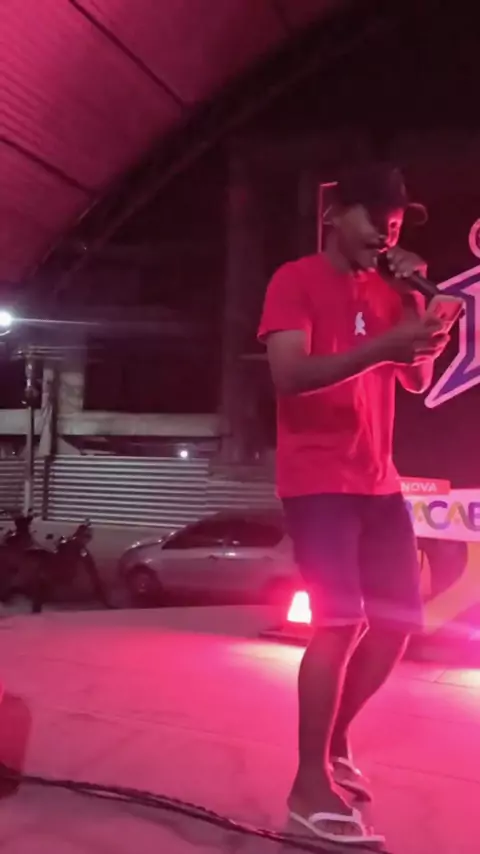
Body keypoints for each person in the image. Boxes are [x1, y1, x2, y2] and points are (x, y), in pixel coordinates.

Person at [258, 164, 450, 845]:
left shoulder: (390, 289)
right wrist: (381, 348)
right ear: (334, 216)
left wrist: (422, 322)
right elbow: (288, 374)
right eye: (375, 219)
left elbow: (415, 380)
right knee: (338, 624)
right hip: (318, 479)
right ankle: (307, 789)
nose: (386, 234)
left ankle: (333, 742)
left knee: (396, 624)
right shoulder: (295, 280)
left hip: (378, 479)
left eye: (394, 223)